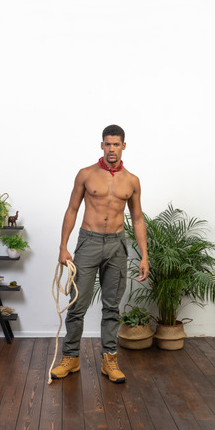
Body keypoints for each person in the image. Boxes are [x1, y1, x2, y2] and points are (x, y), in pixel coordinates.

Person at [51, 124, 149, 383]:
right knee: (77, 304)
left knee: (111, 307)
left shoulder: (132, 181)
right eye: (108, 144)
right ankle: (70, 358)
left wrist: (145, 256)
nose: (112, 148)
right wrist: (63, 246)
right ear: (102, 145)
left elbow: (137, 219)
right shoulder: (86, 174)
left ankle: (109, 360)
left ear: (123, 146)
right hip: (89, 242)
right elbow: (71, 209)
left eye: (116, 144)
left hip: (117, 245)